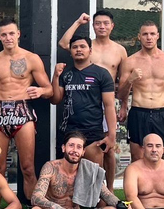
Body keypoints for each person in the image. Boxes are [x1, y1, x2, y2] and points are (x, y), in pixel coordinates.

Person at [0, 18, 52, 204]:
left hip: (22, 110)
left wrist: (41, 90)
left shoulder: (32, 58)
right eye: (4, 34)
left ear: (18, 34)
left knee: (27, 167)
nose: (8, 37)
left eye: (11, 33)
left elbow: (50, 90)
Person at [59, 11, 127, 190]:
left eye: (106, 23)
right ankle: (89, 191)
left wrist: (125, 104)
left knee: (109, 149)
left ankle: (109, 189)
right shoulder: (88, 46)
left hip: (107, 100)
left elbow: (123, 80)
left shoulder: (120, 50)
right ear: (93, 26)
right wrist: (78, 22)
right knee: (92, 150)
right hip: (87, 100)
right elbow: (64, 43)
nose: (102, 26)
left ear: (112, 26)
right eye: (98, 23)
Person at [117, 21, 164, 161]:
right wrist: (131, 79)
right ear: (139, 37)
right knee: (137, 159)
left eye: (152, 34)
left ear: (158, 36)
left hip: (162, 113)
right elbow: (120, 95)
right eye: (145, 34)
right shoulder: (130, 61)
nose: (149, 37)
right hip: (139, 112)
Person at [50, 35, 116, 169]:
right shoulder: (66, 74)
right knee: (67, 177)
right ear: (71, 51)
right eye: (74, 47)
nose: (78, 50)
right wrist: (56, 76)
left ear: (90, 50)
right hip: (68, 130)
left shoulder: (102, 74)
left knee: (93, 176)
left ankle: (108, 189)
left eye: (82, 47)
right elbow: (55, 99)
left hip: (92, 132)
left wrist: (112, 135)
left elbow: (109, 106)